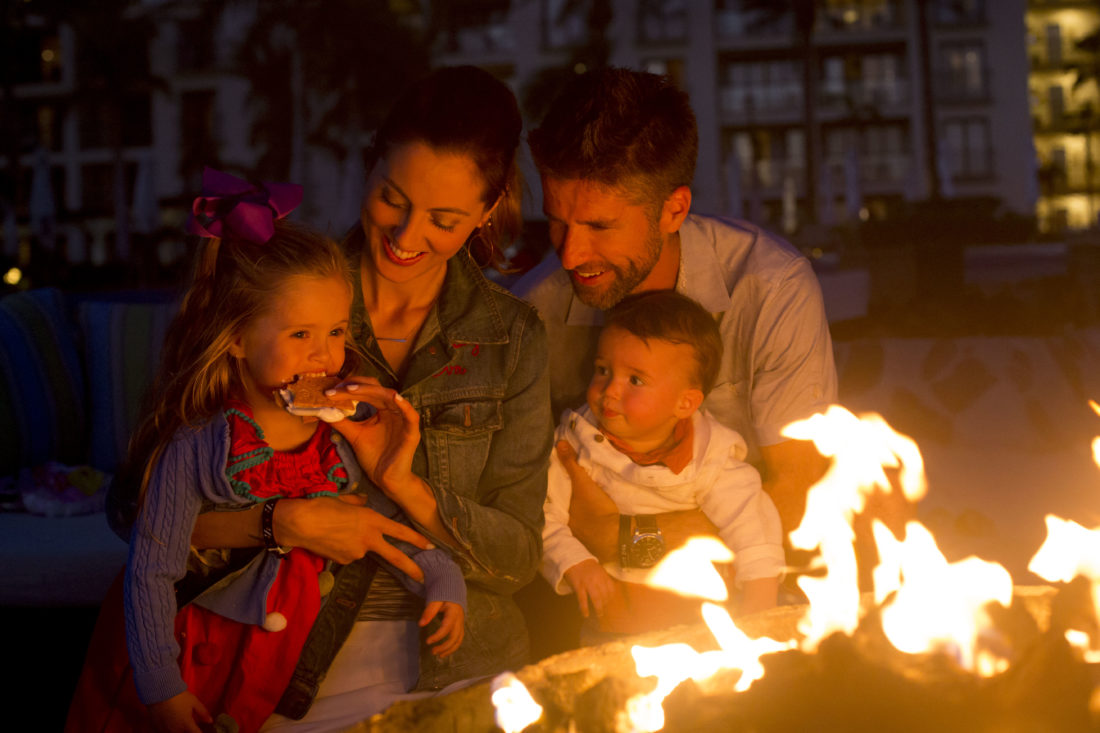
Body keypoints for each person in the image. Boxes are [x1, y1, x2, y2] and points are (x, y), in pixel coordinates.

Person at [160, 66, 550, 731]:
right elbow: (137, 508)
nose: (406, 234)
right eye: (392, 196)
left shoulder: (511, 337)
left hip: (465, 673)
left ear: (487, 213)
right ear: (370, 164)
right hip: (284, 665)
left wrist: (403, 483)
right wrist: (279, 523)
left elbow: (516, 563)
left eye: (445, 219)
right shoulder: (278, 294)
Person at [72, 171, 468, 733]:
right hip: (178, 657)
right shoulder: (197, 444)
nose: (325, 357)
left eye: (335, 332)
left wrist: (440, 575)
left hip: (264, 672)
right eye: (300, 335)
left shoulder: (338, 439)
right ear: (236, 339)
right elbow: (150, 573)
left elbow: (375, 525)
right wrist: (161, 687)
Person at [511, 67, 840, 655]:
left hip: (751, 627)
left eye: (599, 226)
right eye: (557, 220)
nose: (569, 252)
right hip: (605, 631)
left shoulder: (770, 287)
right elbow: (525, 506)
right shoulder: (532, 312)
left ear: (673, 210)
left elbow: (798, 499)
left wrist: (620, 539)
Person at [541, 290, 783, 640]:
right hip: (614, 626)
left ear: (685, 403)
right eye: (603, 370)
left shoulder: (711, 459)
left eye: (635, 380)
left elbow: (754, 535)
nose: (610, 390)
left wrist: (758, 622)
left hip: (704, 626)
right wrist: (574, 561)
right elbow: (541, 513)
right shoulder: (574, 443)